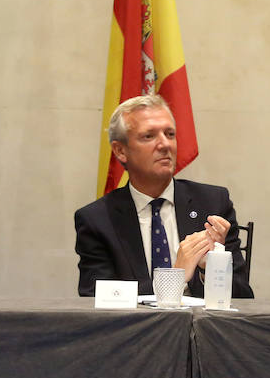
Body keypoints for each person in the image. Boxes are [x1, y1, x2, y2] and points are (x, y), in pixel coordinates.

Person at [75, 94, 252, 299]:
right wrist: (176, 276)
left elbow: (243, 299)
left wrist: (210, 269)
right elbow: (98, 301)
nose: (165, 144)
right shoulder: (97, 220)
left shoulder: (212, 203)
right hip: (137, 331)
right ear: (120, 151)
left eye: (170, 134)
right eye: (149, 136)